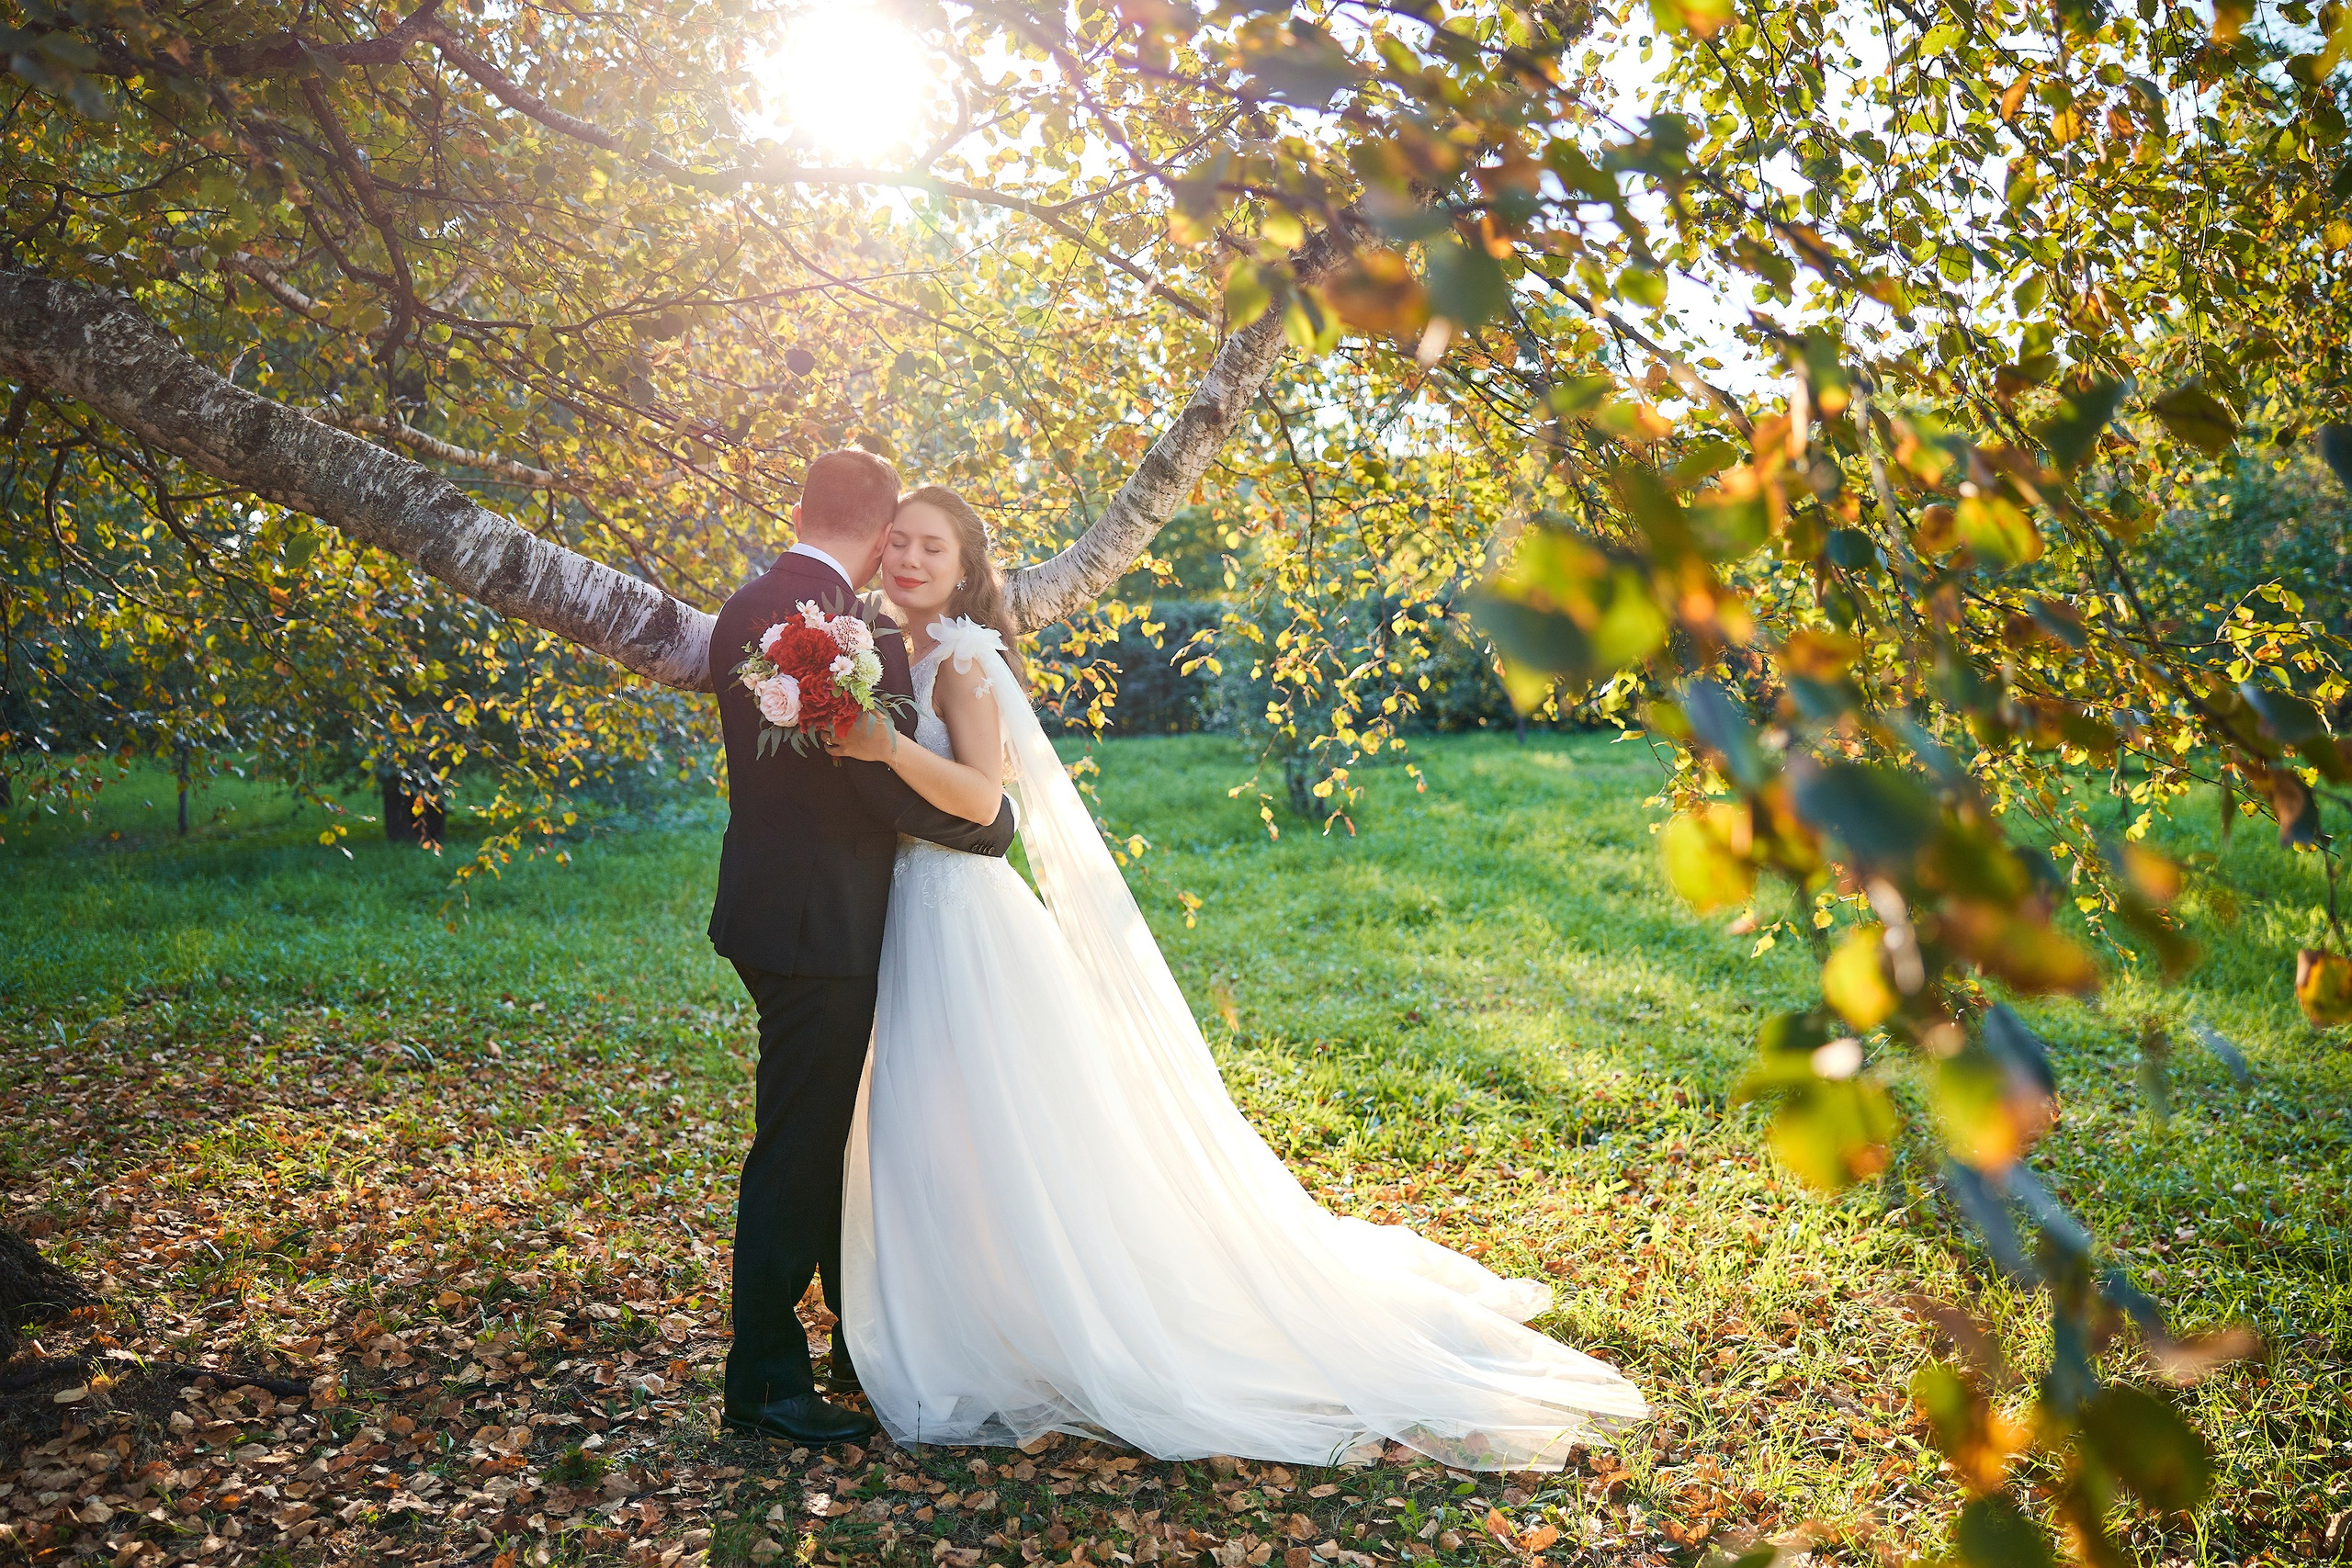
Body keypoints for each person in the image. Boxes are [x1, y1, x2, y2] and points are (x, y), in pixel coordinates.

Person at [821, 485, 1647, 1469]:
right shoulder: (883, 648)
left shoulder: (962, 653)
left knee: (995, 1121)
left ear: (964, 569)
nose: (911, 560)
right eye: (900, 544)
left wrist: (883, 749)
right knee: (937, 1128)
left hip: (962, 914)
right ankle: (966, 1311)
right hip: (908, 914)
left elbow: (983, 795)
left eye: (932, 548)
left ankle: (1039, 1323)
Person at [706, 451, 1019, 1446]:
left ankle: (855, 1337)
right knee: (802, 1150)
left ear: (797, 508)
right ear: (882, 535)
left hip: (771, 912)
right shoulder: (840, 636)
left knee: (837, 1138)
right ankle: (762, 1378)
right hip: (825, 927)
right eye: (907, 538)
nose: (913, 557)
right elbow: (877, 789)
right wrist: (995, 831)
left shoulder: (747, 606)